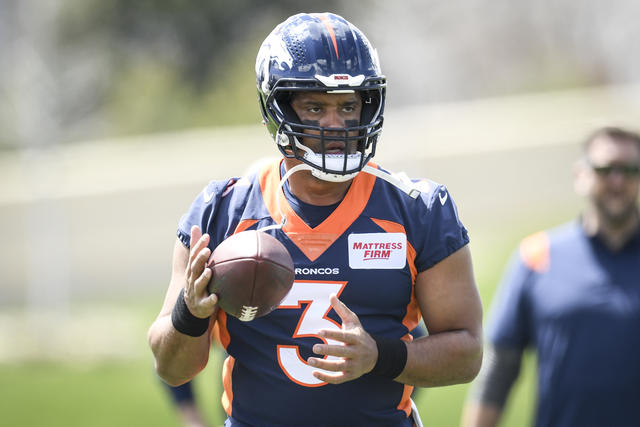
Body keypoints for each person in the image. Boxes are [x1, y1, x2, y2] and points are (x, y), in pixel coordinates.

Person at [148, 12, 483, 426]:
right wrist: (189, 313)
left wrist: (380, 356)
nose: (336, 125)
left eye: (347, 105)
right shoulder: (221, 211)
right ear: (277, 107)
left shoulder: (418, 210)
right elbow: (171, 368)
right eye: (314, 106)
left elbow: (466, 353)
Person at [461, 126, 640, 427]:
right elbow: (500, 368)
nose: (617, 181)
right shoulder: (537, 256)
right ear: (581, 175)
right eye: (606, 169)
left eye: (630, 169)